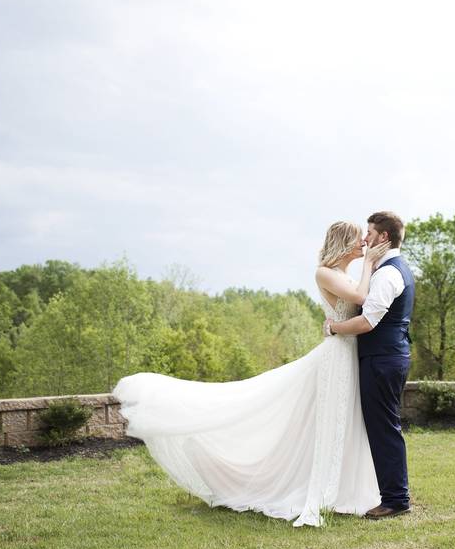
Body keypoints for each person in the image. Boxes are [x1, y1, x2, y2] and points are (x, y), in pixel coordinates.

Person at [111, 220, 390, 527]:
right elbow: (362, 299)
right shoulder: (324, 272)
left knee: (346, 422)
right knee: (322, 423)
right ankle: (304, 486)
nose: (364, 243)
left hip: (349, 354)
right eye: (358, 240)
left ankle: (346, 491)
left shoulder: (344, 274)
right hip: (336, 357)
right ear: (345, 242)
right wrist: (369, 265)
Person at [324, 211, 415, 519]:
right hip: (385, 357)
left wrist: (334, 328)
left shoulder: (389, 274)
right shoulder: (385, 269)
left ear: (383, 237)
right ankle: (392, 494)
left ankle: (396, 499)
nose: (365, 238)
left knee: (384, 428)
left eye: (370, 232)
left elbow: (367, 322)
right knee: (382, 427)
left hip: (382, 359)